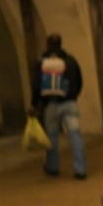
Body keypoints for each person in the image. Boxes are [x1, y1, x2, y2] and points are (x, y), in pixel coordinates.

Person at [32, 33, 85, 179]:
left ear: (48, 45)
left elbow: (36, 85)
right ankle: (80, 170)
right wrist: (73, 96)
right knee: (75, 136)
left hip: (51, 105)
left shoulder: (42, 62)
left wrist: (35, 104)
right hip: (69, 104)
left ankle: (53, 167)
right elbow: (79, 81)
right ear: (61, 44)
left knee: (52, 137)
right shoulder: (71, 61)